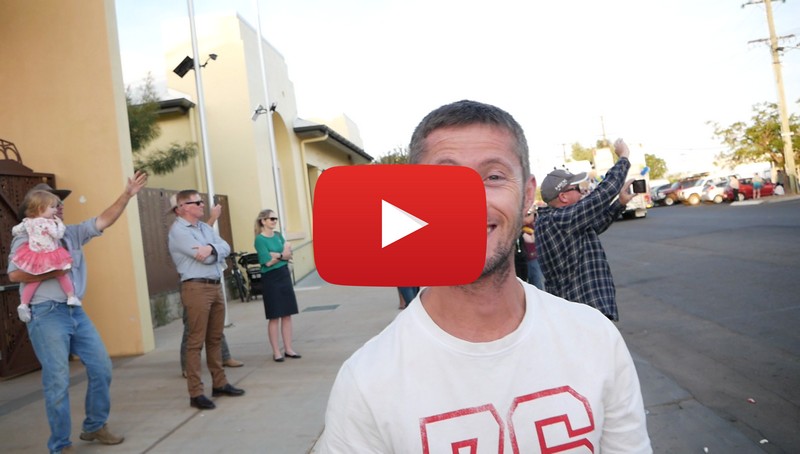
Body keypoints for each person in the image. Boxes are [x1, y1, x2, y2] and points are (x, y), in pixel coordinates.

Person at [317, 100, 650, 452]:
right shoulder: (366, 385)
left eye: (493, 176)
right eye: (445, 179)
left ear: (526, 195)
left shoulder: (597, 340)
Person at [7, 174, 148, 453]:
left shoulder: (70, 233)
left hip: (75, 311)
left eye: (59, 202)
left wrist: (127, 194)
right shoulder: (26, 235)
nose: (59, 206)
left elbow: (103, 220)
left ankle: (94, 426)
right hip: (46, 314)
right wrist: (54, 271)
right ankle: (60, 445)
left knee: (101, 368)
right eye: (53, 202)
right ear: (37, 208)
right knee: (57, 380)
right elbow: (15, 274)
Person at [535, 141, 635, 322]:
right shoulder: (560, 219)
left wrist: (620, 202)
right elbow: (603, 193)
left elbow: (595, 226)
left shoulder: (552, 220)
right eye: (576, 188)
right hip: (585, 313)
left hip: (576, 313)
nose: (582, 191)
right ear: (563, 196)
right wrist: (624, 157)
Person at [168, 190, 245, 410]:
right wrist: (213, 253)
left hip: (214, 285)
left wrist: (211, 248)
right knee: (195, 342)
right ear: (183, 207)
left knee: (215, 338)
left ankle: (219, 383)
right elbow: (203, 259)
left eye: (201, 202)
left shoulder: (203, 228)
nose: (203, 205)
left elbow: (225, 248)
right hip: (196, 287)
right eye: (197, 202)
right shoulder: (178, 231)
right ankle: (196, 393)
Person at [11, 190, 81, 324]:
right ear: (41, 208)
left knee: (34, 281)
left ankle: (24, 303)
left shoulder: (27, 222)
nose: (56, 210)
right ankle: (71, 296)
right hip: (50, 254)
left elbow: (15, 230)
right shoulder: (48, 223)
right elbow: (58, 235)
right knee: (62, 274)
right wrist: (60, 225)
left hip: (35, 255)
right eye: (52, 207)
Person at [253, 209, 301, 362]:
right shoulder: (260, 240)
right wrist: (281, 255)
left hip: (283, 275)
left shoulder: (279, 235)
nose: (274, 221)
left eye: (275, 219)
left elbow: (289, 255)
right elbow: (267, 262)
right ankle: (276, 351)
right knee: (274, 316)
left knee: (287, 314)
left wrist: (276, 255)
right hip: (270, 278)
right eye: (271, 218)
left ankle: (288, 349)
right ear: (263, 221)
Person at [521, 202, 545, 290]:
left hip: (533, 258)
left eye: (527, 215)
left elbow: (532, 239)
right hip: (524, 259)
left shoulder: (534, 226)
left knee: (537, 282)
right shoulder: (520, 228)